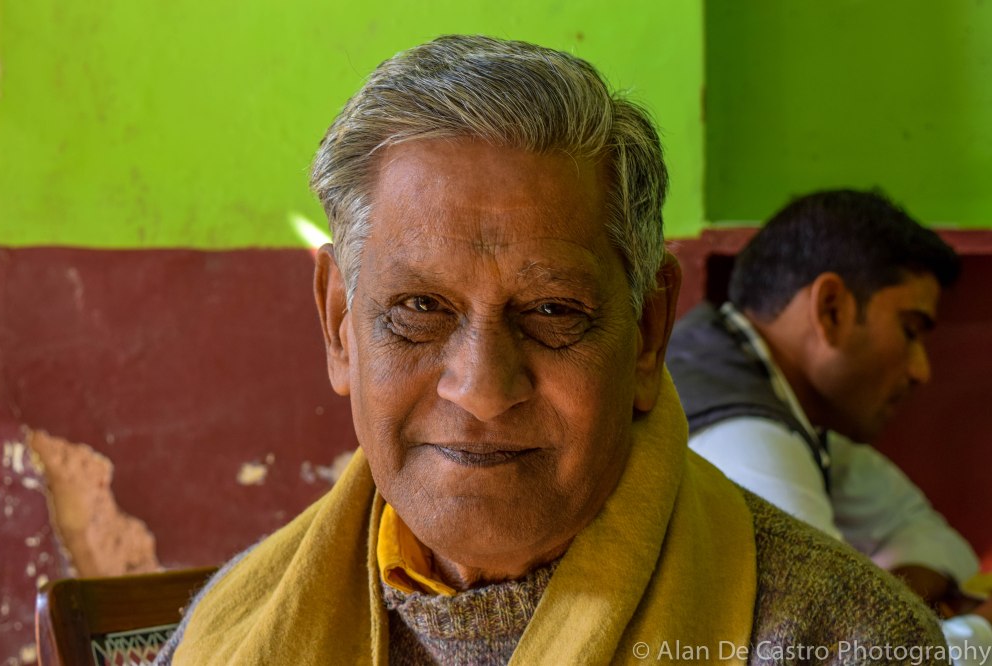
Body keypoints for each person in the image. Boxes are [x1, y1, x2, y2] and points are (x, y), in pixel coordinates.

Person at [155, 38, 947, 665]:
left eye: (551, 311)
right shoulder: (237, 629)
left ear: (645, 333)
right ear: (338, 324)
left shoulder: (837, 641)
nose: (481, 388)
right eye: (420, 310)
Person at [667, 189, 992, 662]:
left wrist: (884, 597)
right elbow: (847, 657)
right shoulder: (745, 438)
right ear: (832, 309)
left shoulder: (777, 395)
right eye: (911, 329)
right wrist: (984, 628)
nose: (921, 369)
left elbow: (936, 541)